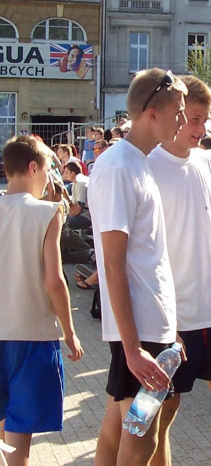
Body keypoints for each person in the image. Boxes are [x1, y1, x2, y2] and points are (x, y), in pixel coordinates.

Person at [148, 75, 211, 466]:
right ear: (174, 114)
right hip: (170, 315)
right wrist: (159, 315)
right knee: (161, 415)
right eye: (193, 118)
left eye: (205, 119)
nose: (201, 128)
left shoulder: (208, 161)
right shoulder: (149, 165)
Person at [89, 68, 188, 465]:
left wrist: (168, 327)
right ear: (152, 113)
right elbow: (113, 263)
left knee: (120, 426)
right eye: (178, 111)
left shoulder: (136, 161)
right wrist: (132, 348)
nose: (182, 120)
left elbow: (148, 258)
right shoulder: (119, 166)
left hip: (150, 325)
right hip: (140, 330)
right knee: (139, 433)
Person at [0, 135, 83, 466]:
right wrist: (70, 331)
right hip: (32, 333)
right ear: (33, 167)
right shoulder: (48, 213)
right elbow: (54, 281)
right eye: (49, 169)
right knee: (22, 424)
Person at [62, 161, 91, 230]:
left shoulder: (81, 184)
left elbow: (78, 210)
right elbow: (73, 206)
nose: (65, 174)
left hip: (86, 216)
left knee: (63, 223)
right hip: (79, 214)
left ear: (73, 173)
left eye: (67, 172)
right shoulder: (75, 185)